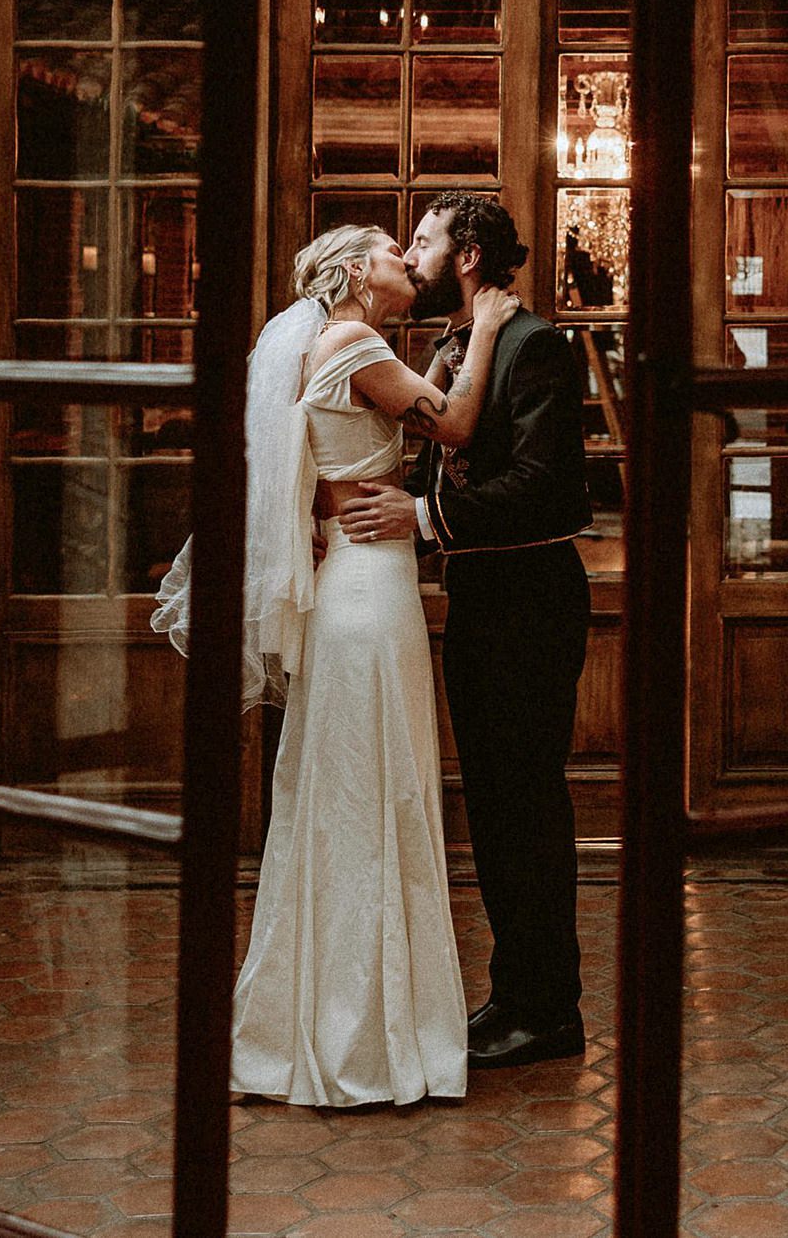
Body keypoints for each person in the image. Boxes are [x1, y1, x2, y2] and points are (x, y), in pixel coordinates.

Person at [154, 224, 518, 1107]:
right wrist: (488, 328)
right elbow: (457, 423)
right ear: (357, 272)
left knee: (352, 791)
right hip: (368, 590)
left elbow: (340, 451)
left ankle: (330, 1026)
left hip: (352, 577)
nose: (408, 262)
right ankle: (367, 1043)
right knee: (377, 792)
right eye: (395, 251)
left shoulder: (337, 347)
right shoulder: (352, 342)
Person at [337, 194, 593, 1070]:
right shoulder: (455, 347)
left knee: (526, 807)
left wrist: (421, 520)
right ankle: (514, 995)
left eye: (424, 240)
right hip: (482, 601)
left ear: (470, 254)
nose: (411, 256)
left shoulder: (536, 345)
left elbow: (549, 490)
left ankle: (549, 1010)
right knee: (491, 808)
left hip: (533, 605)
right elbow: (440, 464)